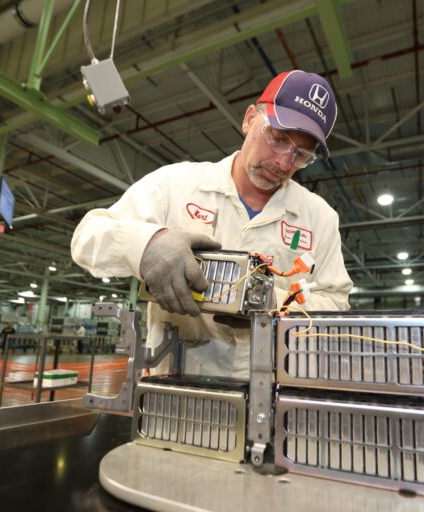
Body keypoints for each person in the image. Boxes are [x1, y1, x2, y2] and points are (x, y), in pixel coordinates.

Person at [71, 70, 353, 378]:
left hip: (271, 394)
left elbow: (335, 303)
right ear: (249, 119)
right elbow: (87, 238)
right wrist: (148, 244)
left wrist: (276, 304)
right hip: (176, 394)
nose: (283, 162)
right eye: (278, 138)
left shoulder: (320, 217)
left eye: (300, 155)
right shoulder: (176, 184)